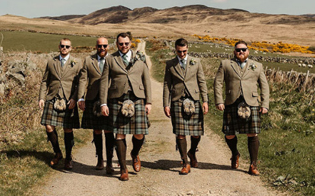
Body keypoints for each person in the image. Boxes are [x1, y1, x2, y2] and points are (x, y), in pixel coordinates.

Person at [100, 32, 152, 181]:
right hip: (117, 100)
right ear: (117, 44)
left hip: (137, 99)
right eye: (121, 43)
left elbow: (146, 80)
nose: (124, 46)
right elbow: (104, 82)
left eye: (126, 43)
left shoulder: (140, 59)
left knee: (139, 133)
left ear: (131, 44)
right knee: (120, 134)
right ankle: (123, 169)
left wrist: (149, 102)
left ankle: (135, 154)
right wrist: (104, 103)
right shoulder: (110, 59)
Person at [213, 40, 269, 175]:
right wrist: (219, 100)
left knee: (252, 133)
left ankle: (253, 165)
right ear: (234, 52)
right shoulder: (226, 64)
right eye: (238, 50)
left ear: (248, 51)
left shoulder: (257, 66)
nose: (241, 52)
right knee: (229, 134)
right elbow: (218, 83)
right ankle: (235, 153)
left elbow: (264, 86)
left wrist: (265, 104)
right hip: (232, 102)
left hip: (252, 103)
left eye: (243, 49)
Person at [163, 38, 209, 175]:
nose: (182, 54)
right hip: (177, 101)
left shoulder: (196, 62)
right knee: (180, 133)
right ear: (175, 50)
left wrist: (205, 101)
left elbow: (202, 82)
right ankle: (185, 162)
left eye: (184, 51)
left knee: (196, 133)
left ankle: (192, 152)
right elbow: (167, 85)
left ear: (187, 49)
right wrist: (166, 103)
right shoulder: (170, 64)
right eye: (179, 51)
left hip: (194, 100)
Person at [38, 38, 81, 170]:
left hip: (69, 99)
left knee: (68, 128)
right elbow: (45, 81)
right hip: (52, 97)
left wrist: (75, 98)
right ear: (59, 46)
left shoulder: (77, 63)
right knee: (49, 126)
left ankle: (68, 158)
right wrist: (41, 97)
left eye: (67, 46)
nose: (64, 48)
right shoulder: (52, 61)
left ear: (71, 48)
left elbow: (80, 83)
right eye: (62, 46)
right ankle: (57, 153)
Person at [77, 37, 116, 173]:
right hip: (93, 99)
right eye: (100, 46)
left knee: (109, 130)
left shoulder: (114, 59)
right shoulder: (89, 60)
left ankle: (110, 162)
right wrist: (80, 98)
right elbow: (83, 79)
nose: (102, 48)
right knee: (97, 130)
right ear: (96, 46)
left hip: (109, 99)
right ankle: (100, 159)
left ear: (108, 47)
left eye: (105, 46)